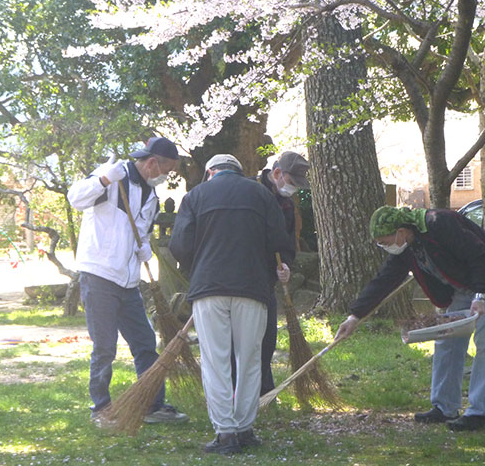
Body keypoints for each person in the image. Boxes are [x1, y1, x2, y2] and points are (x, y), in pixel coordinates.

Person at [334, 205, 485, 432]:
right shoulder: (407, 249)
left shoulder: (439, 223)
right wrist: (354, 316)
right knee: (447, 340)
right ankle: (444, 407)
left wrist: (480, 295)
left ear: (401, 231)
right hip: (462, 287)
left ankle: (479, 413)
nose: (384, 246)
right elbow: (383, 281)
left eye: (384, 241)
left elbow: (480, 256)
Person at [169, 153, 290, 455]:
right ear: (239, 171)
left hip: (209, 288)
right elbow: (280, 242)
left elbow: (180, 245)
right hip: (252, 287)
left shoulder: (195, 196)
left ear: (210, 172)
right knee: (249, 360)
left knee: (216, 361)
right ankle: (245, 427)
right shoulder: (262, 195)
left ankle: (225, 433)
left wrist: (195, 268)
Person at [67, 136, 188, 425]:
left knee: (145, 341)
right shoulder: (112, 174)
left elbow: (139, 230)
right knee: (105, 346)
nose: (166, 176)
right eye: (166, 169)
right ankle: (101, 408)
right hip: (99, 275)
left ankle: (151, 405)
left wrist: (143, 246)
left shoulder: (151, 194)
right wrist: (104, 180)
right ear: (151, 163)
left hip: (128, 280)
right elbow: (76, 199)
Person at [255, 150, 311, 395]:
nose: (294, 190)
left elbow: (288, 244)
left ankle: (265, 390)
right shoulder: (252, 192)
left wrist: (285, 264)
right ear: (277, 173)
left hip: (267, 281)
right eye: (291, 183)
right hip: (245, 274)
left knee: (268, 336)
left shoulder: (287, 205)